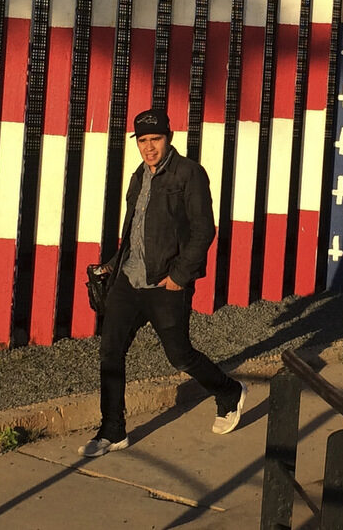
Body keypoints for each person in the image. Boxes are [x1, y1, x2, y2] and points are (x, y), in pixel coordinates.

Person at [81, 108, 247, 457]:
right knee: (110, 352)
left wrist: (179, 276)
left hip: (165, 282)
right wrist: (113, 266)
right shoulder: (138, 177)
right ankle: (113, 430)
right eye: (143, 141)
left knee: (180, 356)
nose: (149, 147)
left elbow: (204, 230)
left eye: (155, 139)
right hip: (129, 279)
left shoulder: (189, 174)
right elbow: (134, 234)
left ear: (168, 137)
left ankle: (229, 391)